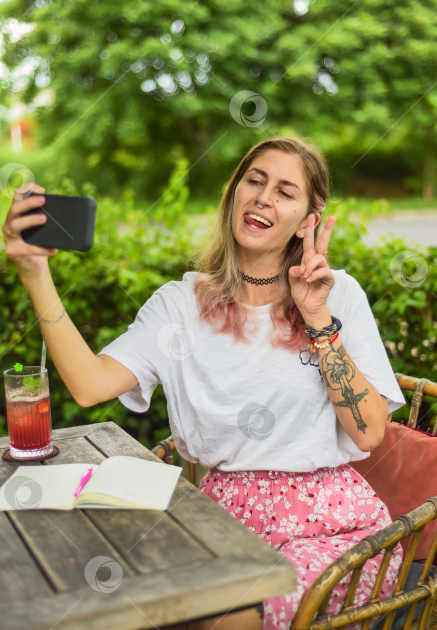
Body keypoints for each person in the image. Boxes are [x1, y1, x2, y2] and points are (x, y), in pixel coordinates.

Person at [3, 137, 405, 630]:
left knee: (221, 618)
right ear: (233, 194)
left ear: (308, 221)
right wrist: (35, 272)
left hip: (333, 525)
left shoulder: (336, 294)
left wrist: (317, 315)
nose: (262, 197)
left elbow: (369, 432)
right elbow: (89, 385)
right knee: (129, 605)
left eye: (285, 191)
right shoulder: (179, 304)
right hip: (217, 517)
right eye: (254, 181)